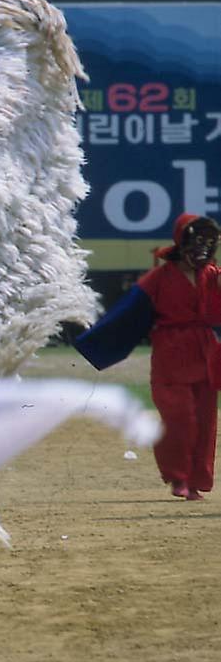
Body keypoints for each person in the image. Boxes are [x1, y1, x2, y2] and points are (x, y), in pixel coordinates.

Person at [76, 213, 221, 500]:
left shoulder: (213, 275)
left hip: (206, 355)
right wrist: (95, 342)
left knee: (205, 421)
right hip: (171, 355)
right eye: (197, 240)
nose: (202, 247)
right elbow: (127, 311)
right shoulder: (159, 277)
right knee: (179, 418)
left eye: (208, 241)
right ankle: (177, 476)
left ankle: (195, 481)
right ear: (183, 241)